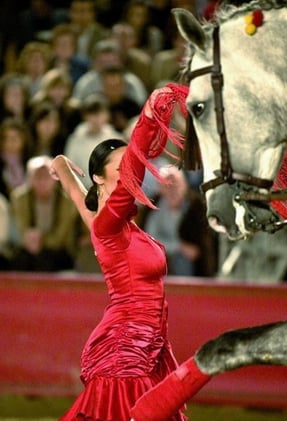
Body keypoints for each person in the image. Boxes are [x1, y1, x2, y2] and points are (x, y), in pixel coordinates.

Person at [50, 83, 189, 421]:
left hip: (147, 346)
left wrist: (61, 164)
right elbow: (131, 177)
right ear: (99, 177)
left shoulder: (109, 220)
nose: (131, 165)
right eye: (122, 162)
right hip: (125, 347)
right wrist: (149, 113)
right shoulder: (108, 222)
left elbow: (72, 190)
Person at [141, 165, 217, 277]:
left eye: (176, 184)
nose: (172, 189)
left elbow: (204, 245)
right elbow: (149, 240)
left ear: (184, 186)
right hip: (161, 256)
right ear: (160, 188)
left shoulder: (197, 208)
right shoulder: (153, 208)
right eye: (167, 185)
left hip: (193, 266)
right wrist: (179, 247)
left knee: (182, 260)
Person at [9, 155, 77, 271]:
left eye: (46, 177)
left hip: (58, 250)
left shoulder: (67, 201)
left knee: (47, 261)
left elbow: (60, 237)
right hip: (28, 248)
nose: (42, 182)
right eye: (37, 177)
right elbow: (22, 229)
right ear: (29, 179)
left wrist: (41, 240)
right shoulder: (19, 198)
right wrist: (29, 240)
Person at [64, 93, 123, 189]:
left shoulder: (116, 139)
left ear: (107, 115)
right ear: (85, 116)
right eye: (92, 114)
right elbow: (69, 169)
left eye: (100, 113)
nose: (96, 118)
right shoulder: (75, 140)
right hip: (83, 191)